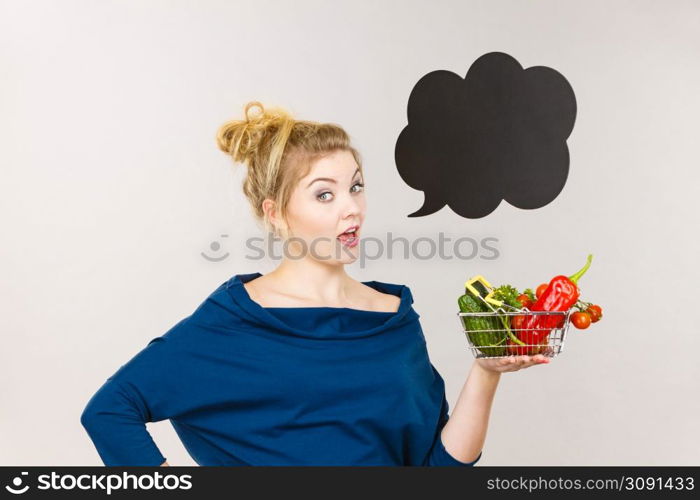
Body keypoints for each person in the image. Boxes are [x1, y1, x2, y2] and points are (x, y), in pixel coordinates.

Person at [80, 101, 549, 466]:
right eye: (324, 194)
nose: (352, 208)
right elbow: (109, 412)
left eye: (356, 187)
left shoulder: (394, 317)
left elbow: (439, 468)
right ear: (276, 214)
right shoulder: (232, 323)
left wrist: (487, 372)